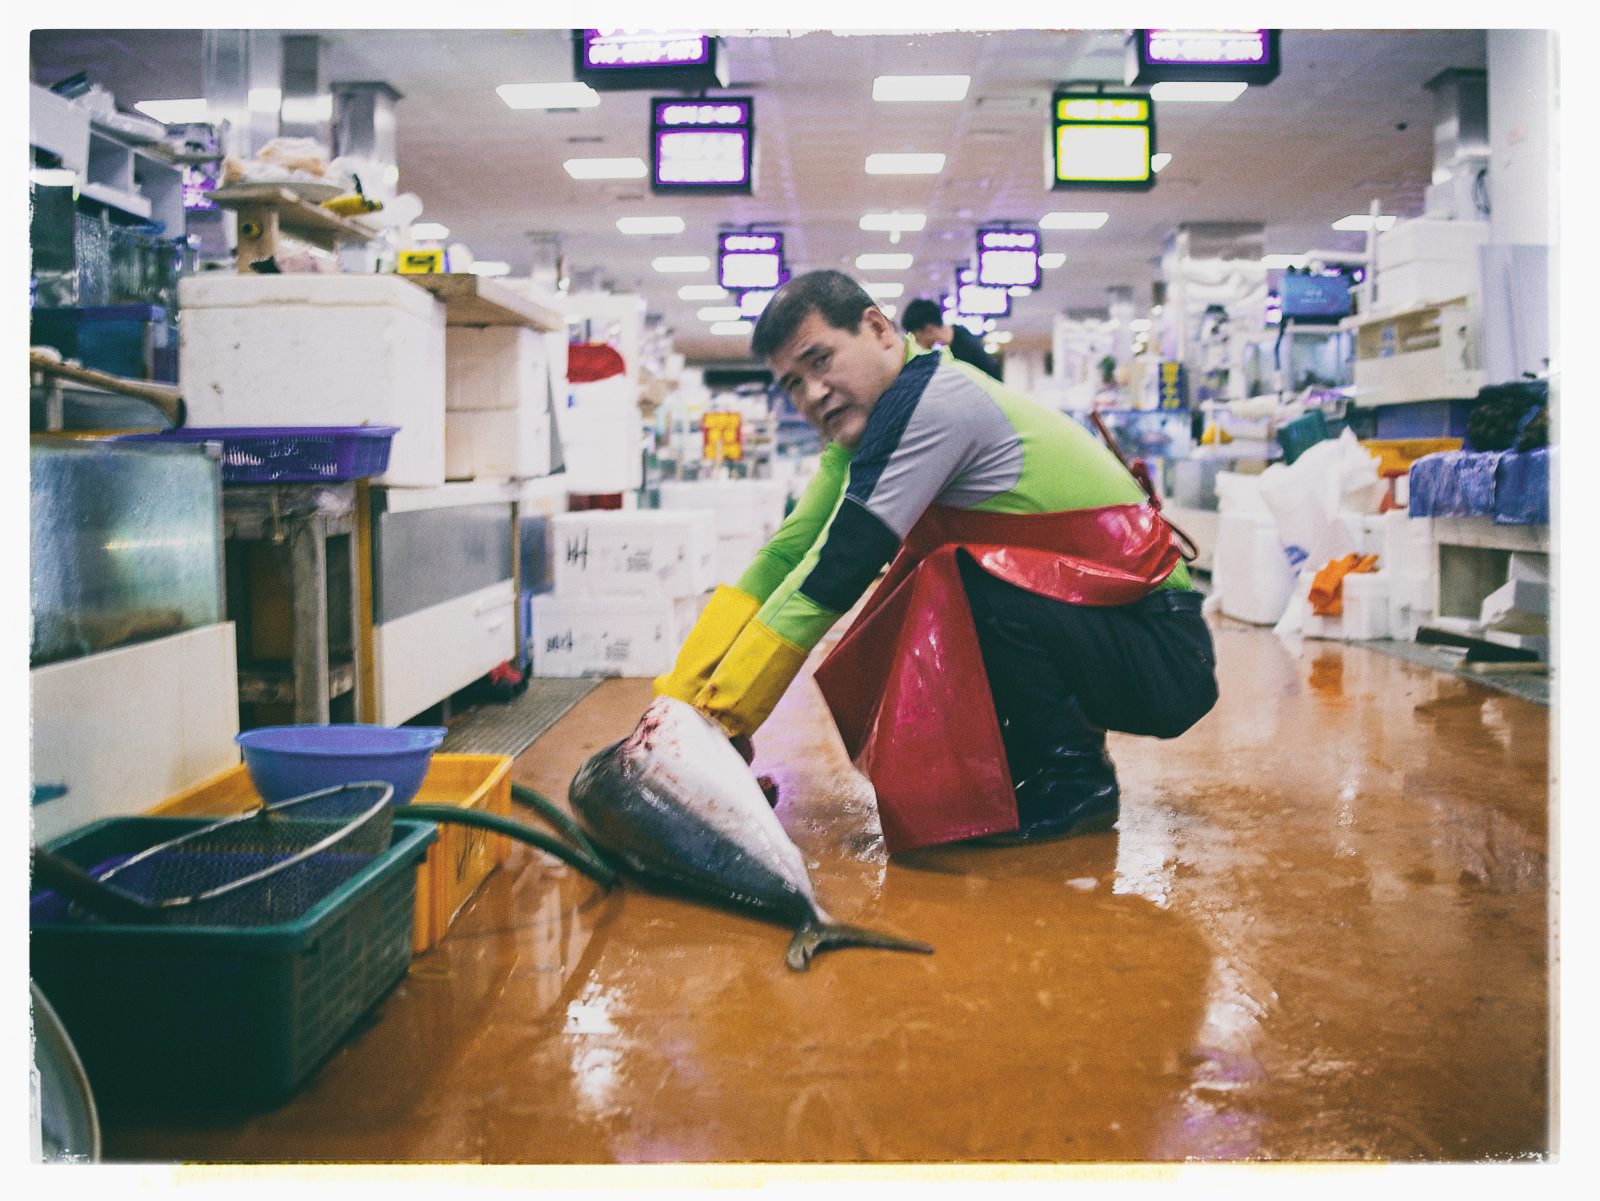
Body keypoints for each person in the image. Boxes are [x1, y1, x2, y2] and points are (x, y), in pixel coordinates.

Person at [652, 270, 1217, 852]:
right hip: (1110, 629)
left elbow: (838, 567)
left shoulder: (936, 406)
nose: (813, 393)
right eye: (793, 383)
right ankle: (1031, 770)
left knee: (967, 581)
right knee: (946, 581)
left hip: (1163, 651)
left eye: (821, 360)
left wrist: (725, 717)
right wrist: (679, 700)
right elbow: (786, 553)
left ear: (878, 329)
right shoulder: (875, 424)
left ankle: (1072, 781)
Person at [900, 297, 1004, 381]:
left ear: (929, 329)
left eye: (916, 336)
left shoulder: (966, 347)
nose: (916, 343)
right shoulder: (957, 340)